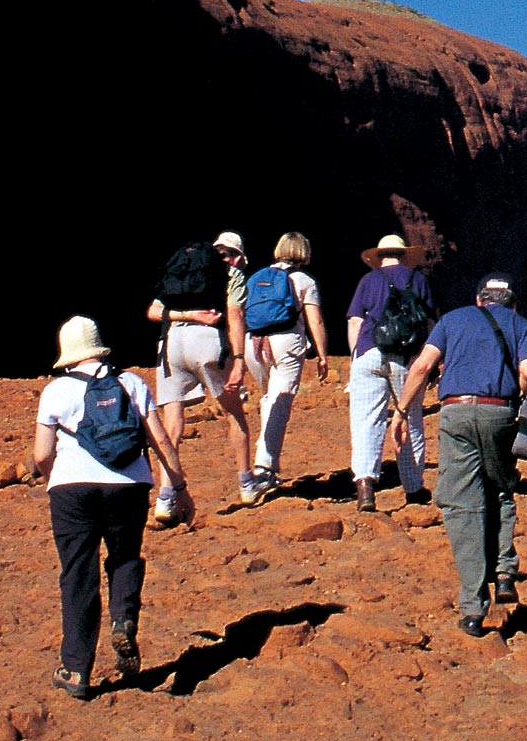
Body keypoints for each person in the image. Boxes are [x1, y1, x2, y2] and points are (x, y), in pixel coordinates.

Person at [34, 317, 183, 700]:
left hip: (71, 489)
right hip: (130, 485)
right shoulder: (131, 383)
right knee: (125, 558)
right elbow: (161, 440)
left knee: (78, 573)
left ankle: (76, 669)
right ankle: (124, 618)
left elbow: (41, 454)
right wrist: (179, 487)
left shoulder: (56, 390)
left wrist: (56, 477)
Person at [392, 273, 527, 638]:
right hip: (499, 412)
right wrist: (526, 399)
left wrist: (401, 411)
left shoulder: (452, 319)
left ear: (479, 300)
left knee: (462, 505)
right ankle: (504, 572)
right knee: (501, 487)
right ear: (511, 303)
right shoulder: (520, 324)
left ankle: (473, 607)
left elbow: (423, 366)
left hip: (456, 413)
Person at [146, 235, 260, 520]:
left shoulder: (183, 270)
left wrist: (188, 314)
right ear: (237, 257)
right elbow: (235, 316)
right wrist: (237, 360)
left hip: (170, 343)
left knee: (172, 425)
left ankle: (165, 497)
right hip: (209, 342)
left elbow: (153, 311)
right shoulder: (230, 275)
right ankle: (247, 484)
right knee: (234, 412)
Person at [346, 234, 436, 512]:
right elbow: (430, 322)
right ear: (404, 255)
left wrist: (355, 359)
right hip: (406, 358)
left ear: (380, 256)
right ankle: (412, 487)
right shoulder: (418, 280)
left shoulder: (367, 281)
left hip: (368, 353)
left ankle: (365, 486)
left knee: (365, 421)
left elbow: (355, 321)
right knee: (409, 419)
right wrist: (429, 362)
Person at [243, 232, 330, 498]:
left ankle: (265, 462)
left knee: (269, 398)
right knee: (279, 402)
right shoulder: (304, 280)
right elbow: (315, 320)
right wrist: (323, 354)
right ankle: (263, 470)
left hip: (254, 342)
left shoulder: (258, 277)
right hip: (287, 342)